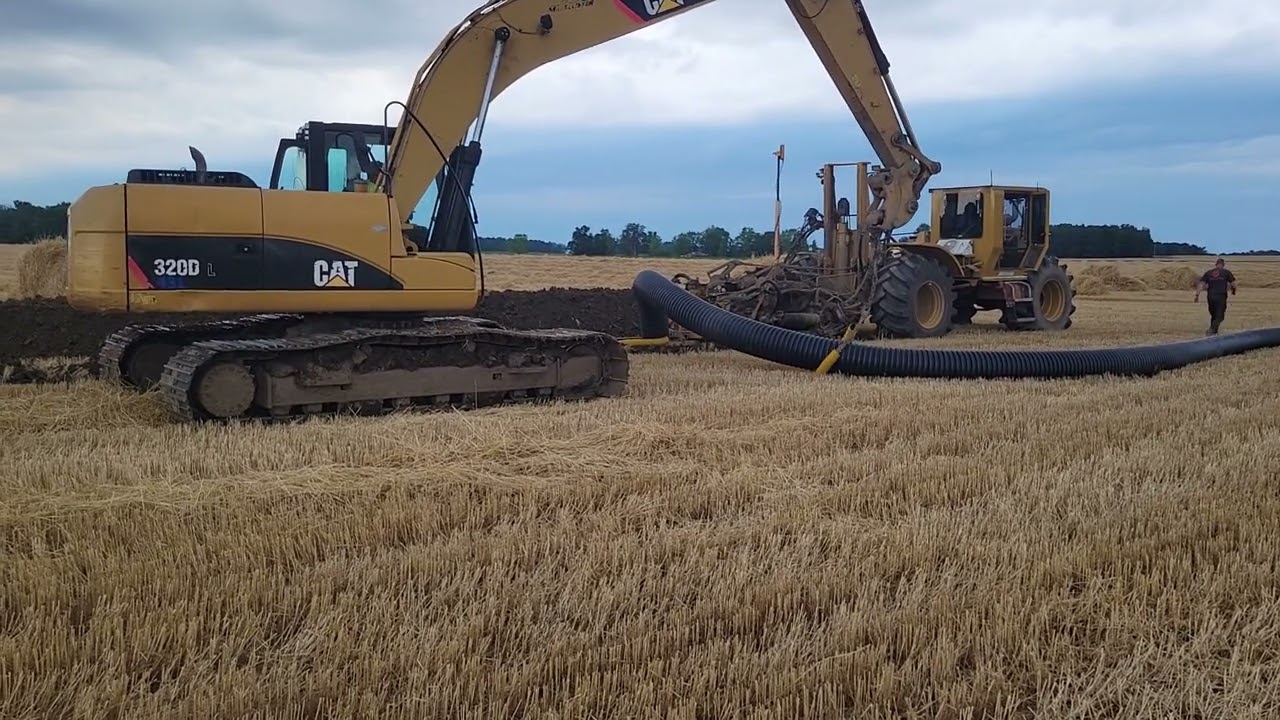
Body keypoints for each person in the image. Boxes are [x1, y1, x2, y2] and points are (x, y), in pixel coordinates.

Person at [1194, 258, 1237, 334]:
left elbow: (1201, 284)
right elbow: (1234, 284)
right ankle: (1212, 329)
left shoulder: (1208, 273)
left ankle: (1214, 333)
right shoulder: (1226, 272)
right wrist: (1233, 291)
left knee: (1214, 315)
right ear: (1223, 265)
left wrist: (1197, 295)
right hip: (1221, 296)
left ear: (1216, 264)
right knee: (1220, 316)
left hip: (1210, 296)